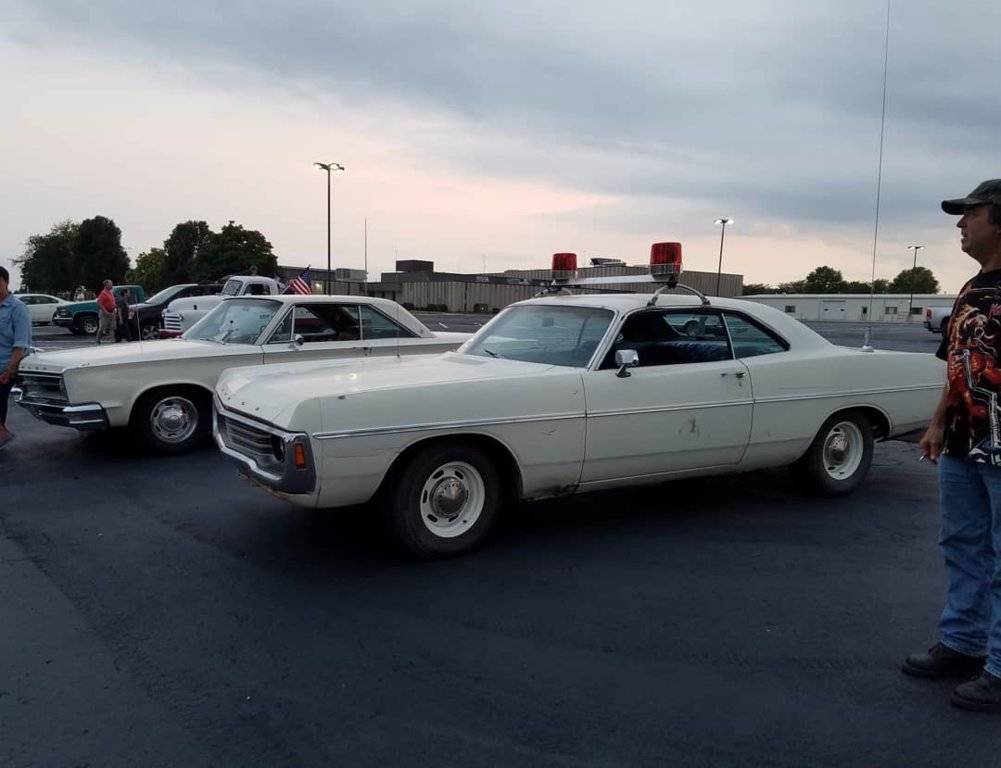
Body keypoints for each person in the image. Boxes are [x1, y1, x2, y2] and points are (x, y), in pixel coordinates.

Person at [904, 179, 1001, 711]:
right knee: (962, 545)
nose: (961, 224)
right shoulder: (971, 288)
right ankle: (964, 642)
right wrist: (938, 423)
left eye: (972, 213)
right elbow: (956, 366)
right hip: (965, 443)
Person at [0, 264, 31, 449]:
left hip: (9, 365)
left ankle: (2, 434)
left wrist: (9, 371)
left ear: (6, 282)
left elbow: (20, 345)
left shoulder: (18, 309)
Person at [95, 279, 116, 344]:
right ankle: (98, 340)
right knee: (102, 327)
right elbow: (99, 302)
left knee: (113, 327)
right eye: (110, 283)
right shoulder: (103, 293)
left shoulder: (110, 292)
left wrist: (114, 308)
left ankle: (112, 340)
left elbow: (112, 302)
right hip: (105, 313)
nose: (112, 285)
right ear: (106, 285)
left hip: (112, 312)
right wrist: (105, 311)